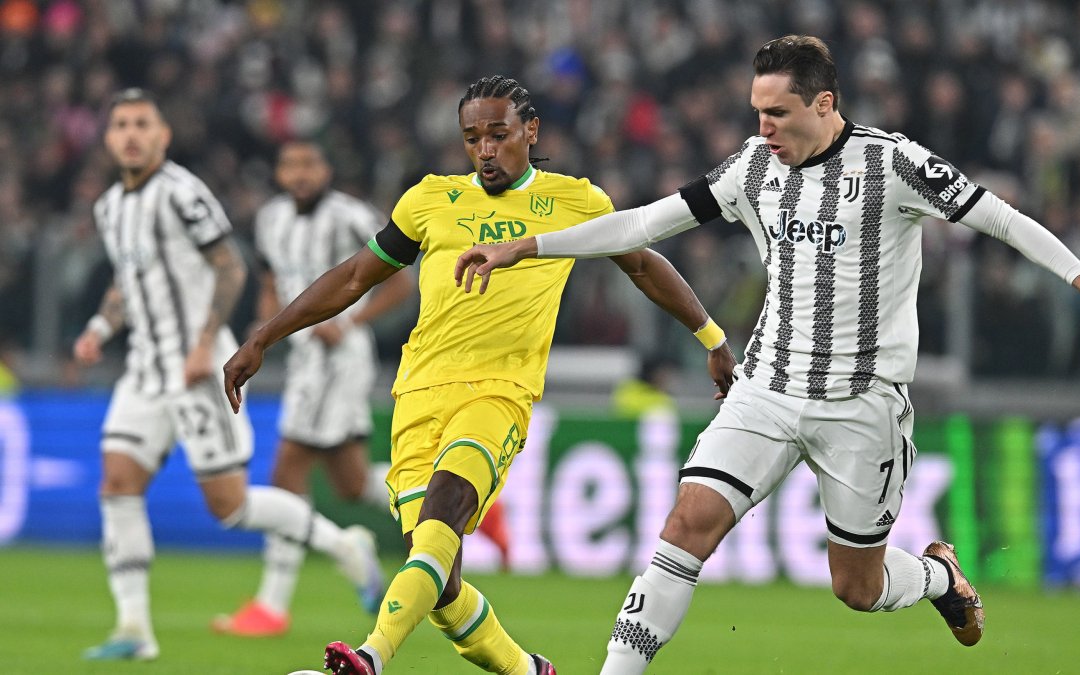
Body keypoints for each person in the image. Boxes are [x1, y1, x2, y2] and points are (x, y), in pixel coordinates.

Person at [455, 36, 1080, 672]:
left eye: (779, 113)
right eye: (757, 112)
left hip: (862, 405)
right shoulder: (752, 168)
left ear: (824, 104)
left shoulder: (893, 163)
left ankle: (941, 575)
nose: (764, 129)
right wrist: (524, 246)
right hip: (767, 388)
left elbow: (997, 215)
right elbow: (644, 222)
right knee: (685, 521)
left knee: (857, 586)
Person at [222, 75, 736, 675]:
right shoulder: (429, 200)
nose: (485, 149)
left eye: (498, 134)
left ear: (530, 131)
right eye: (473, 138)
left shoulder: (574, 201)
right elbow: (355, 277)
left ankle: (368, 657)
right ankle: (528, 672)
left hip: (499, 393)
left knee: (441, 521)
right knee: (440, 584)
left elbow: (643, 264)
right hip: (417, 396)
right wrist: (263, 336)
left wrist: (713, 337)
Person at [73, 88, 383, 661]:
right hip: (144, 369)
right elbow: (127, 281)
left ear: (163, 135)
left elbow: (229, 264)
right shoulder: (109, 206)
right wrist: (99, 326)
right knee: (117, 481)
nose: (132, 133)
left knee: (230, 507)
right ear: (110, 138)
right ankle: (135, 629)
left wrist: (202, 341)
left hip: (196, 369)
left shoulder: (182, 193)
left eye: (143, 123)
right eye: (121, 125)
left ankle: (344, 546)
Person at [213, 141, 414, 637]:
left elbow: (399, 284)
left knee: (288, 471)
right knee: (349, 485)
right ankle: (438, 492)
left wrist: (349, 323)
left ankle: (272, 606)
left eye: (310, 164)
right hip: (305, 359)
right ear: (279, 173)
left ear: (326, 169)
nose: (300, 174)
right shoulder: (271, 219)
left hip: (338, 359)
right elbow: (269, 279)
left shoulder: (350, 215)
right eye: (290, 165)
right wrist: (266, 322)